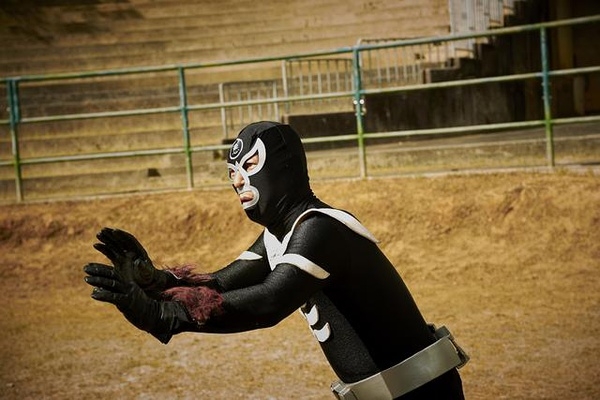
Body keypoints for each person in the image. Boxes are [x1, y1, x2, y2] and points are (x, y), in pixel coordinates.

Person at [84, 121, 468, 399]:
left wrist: (166, 316)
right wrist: (158, 284)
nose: (238, 181)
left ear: (285, 165)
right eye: (232, 173)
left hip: (423, 393)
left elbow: (270, 302)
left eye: (250, 166)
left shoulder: (320, 229)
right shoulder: (278, 236)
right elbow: (220, 283)